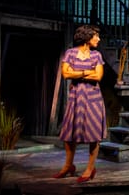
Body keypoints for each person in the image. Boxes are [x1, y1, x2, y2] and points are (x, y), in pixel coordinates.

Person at [52, 25, 107, 183]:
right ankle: (68, 165)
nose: (99, 39)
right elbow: (65, 73)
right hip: (76, 98)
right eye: (96, 36)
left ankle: (90, 168)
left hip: (93, 97)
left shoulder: (96, 55)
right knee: (70, 133)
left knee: (94, 135)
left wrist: (76, 74)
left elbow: (97, 77)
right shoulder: (71, 53)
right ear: (87, 37)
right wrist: (86, 72)